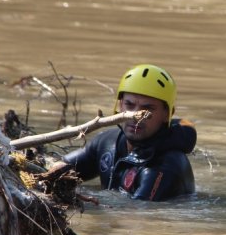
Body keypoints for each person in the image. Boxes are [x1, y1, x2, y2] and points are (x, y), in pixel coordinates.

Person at [46, 64, 196, 201]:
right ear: (119, 104)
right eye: (129, 105)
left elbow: (134, 216)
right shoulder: (106, 142)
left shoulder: (165, 166)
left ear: (167, 114)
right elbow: (59, 168)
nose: (136, 115)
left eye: (148, 109)